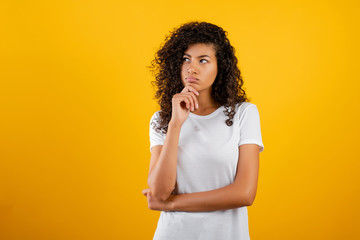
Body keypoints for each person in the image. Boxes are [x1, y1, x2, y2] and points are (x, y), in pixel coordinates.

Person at [142, 21, 264, 240]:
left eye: (203, 60)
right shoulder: (162, 119)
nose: (192, 67)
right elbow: (159, 191)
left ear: (220, 67)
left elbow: (245, 193)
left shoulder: (243, 114)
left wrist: (171, 204)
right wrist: (176, 125)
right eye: (185, 59)